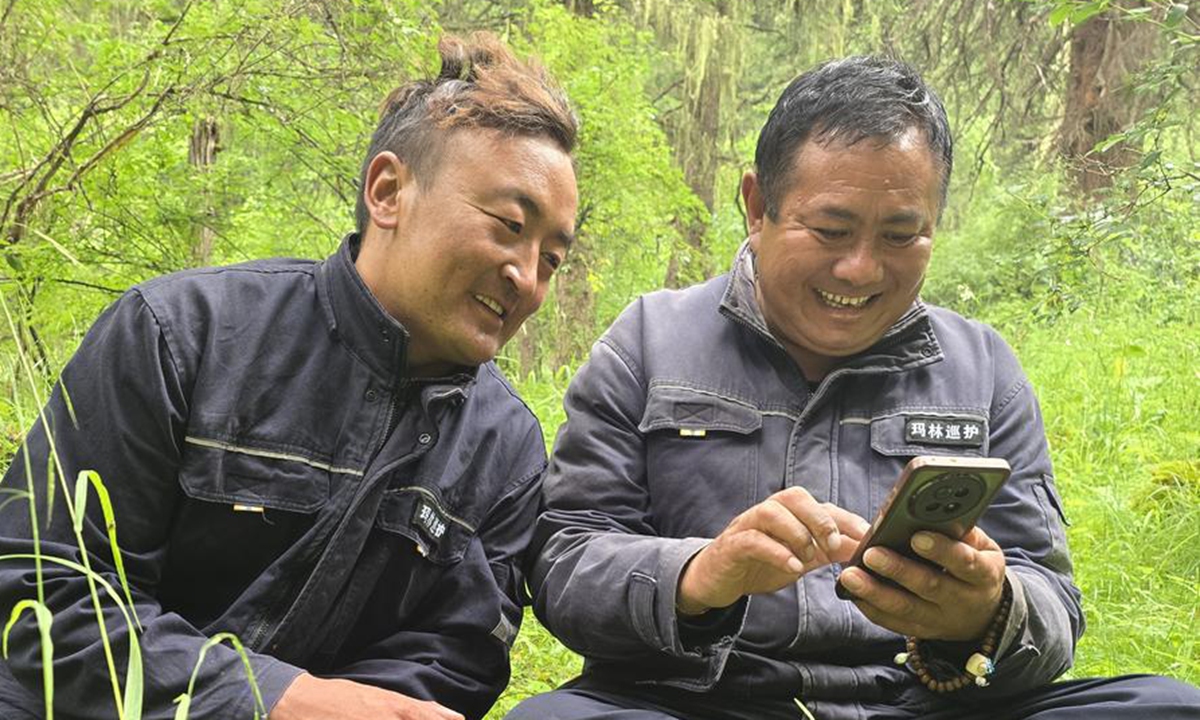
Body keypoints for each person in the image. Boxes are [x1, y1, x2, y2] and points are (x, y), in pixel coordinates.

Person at [506, 56, 1200, 720]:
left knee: (1170, 707)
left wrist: (987, 613)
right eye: (831, 229)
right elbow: (567, 559)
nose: (861, 270)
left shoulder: (982, 366)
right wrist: (700, 574)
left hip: (932, 704)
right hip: (698, 700)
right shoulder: (650, 340)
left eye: (903, 236)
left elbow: (1053, 604)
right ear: (757, 204)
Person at [0, 33, 578, 720]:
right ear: (388, 190)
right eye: (510, 225)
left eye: (551, 259)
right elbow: (41, 592)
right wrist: (273, 700)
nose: (527, 277)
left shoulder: (507, 448)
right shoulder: (179, 333)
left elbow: (454, 657)